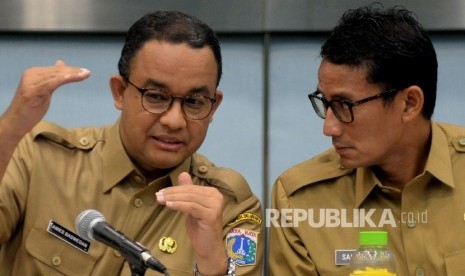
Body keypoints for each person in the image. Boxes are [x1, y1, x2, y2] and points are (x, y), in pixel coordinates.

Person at [0, 11, 263, 276]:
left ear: (213, 106)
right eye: (156, 96)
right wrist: (9, 130)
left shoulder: (231, 206)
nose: (175, 121)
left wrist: (212, 265)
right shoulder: (40, 156)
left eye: (194, 102)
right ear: (120, 92)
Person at [269, 4, 465, 276]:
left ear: (409, 103)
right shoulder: (299, 201)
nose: (329, 128)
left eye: (344, 105)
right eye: (325, 103)